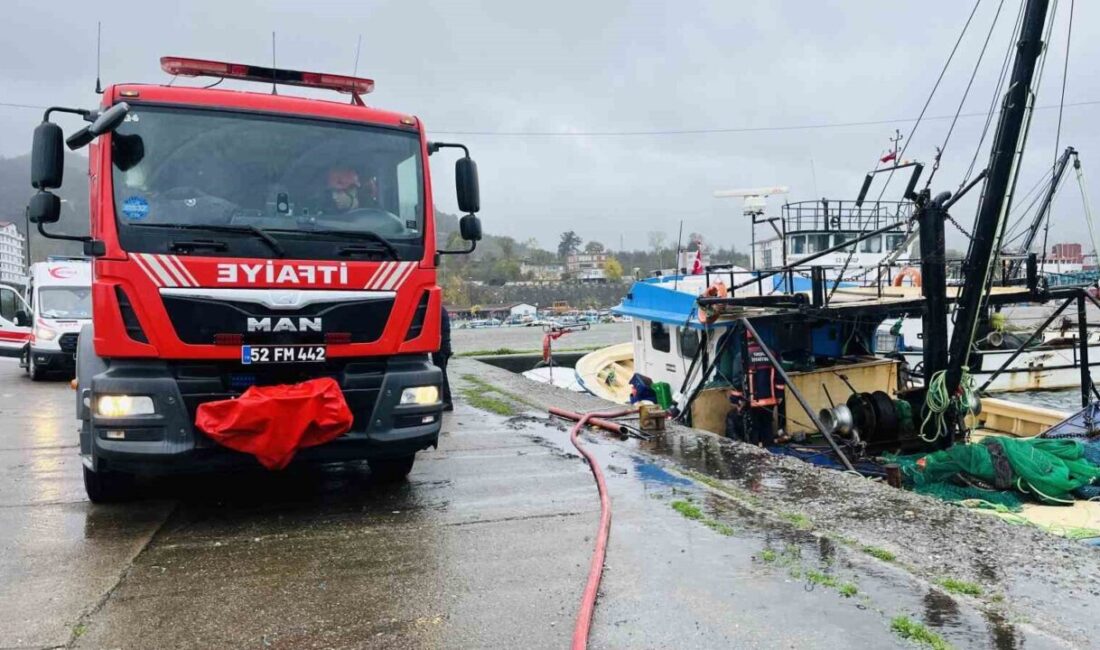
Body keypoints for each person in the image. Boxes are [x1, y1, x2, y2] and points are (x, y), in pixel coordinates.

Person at [433, 306, 453, 411]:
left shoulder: (438, 310)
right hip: (444, 346)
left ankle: (446, 401)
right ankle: (445, 400)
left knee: (442, 375)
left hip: (441, 347)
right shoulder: (442, 310)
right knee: (442, 374)